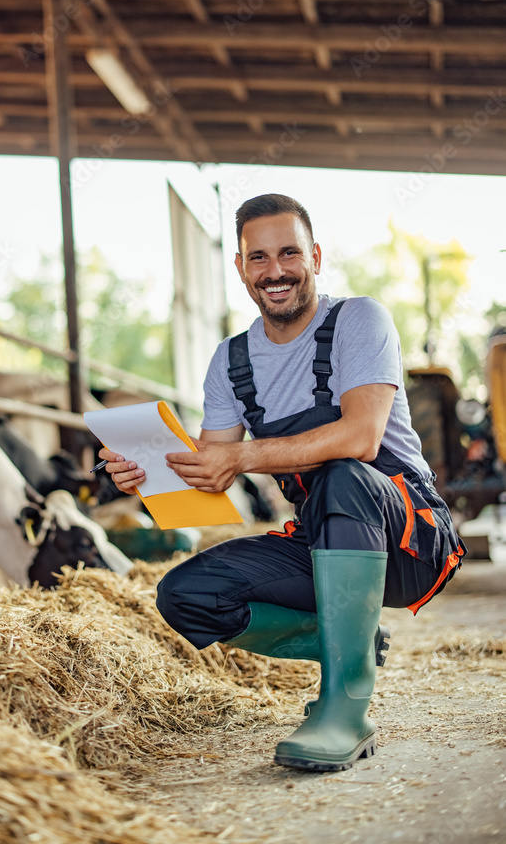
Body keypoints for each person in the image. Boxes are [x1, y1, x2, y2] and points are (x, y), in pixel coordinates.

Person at [99, 193, 466, 773]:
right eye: (259, 258)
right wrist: (146, 474)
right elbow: (214, 472)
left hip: (409, 539)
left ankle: (344, 711)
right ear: (242, 268)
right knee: (186, 596)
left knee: (347, 474)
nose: (276, 271)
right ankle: (350, 644)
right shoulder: (230, 360)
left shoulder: (359, 320)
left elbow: (362, 437)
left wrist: (239, 454)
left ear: (315, 256)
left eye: (289, 253)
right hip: (322, 539)